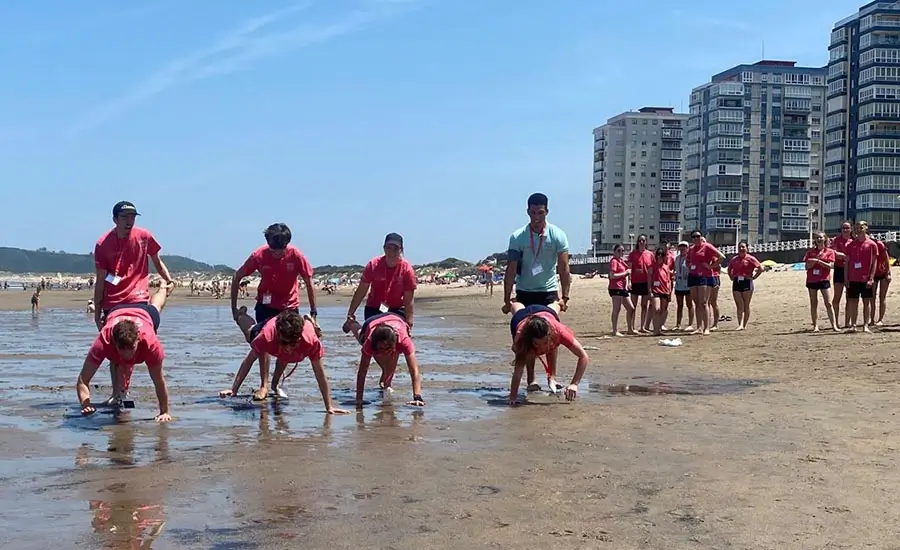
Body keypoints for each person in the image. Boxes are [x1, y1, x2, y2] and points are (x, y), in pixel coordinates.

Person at [93, 201, 174, 406]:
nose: (129, 221)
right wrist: (98, 309)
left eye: (132, 217)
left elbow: (157, 260)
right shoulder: (103, 244)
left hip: (138, 298)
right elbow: (101, 279)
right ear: (114, 219)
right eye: (124, 217)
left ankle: (123, 389)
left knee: (140, 334)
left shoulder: (144, 236)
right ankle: (117, 392)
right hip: (114, 301)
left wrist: (168, 278)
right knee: (115, 350)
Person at [230, 223, 319, 399]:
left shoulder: (296, 255)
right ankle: (263, 385)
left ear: (287, 243)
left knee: (287, 346)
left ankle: (275, 382)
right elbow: (237, 276)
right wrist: (232, 307)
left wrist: (313, 312)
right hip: (265, 305)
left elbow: (309, 282)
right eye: (273, 248)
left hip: (289, 307)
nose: (277, 253)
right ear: (267, 242)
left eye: (281, 249)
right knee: (263, 344)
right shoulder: (259, 255)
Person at [76, 281, 174, 422]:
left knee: (156, 306)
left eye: (131, 349)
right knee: (117, 361)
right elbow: (82, 380)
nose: (128, 355)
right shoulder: (104, 341)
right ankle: (117, 394)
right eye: (122, 350)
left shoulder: (151, 343)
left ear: (138, 340)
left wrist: (164, 412)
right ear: (114, 342)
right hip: (116, 310)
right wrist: (85, 403)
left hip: (144, 313)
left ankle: (163, 287)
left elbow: (159, 381)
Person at [502, 193, 571, 392]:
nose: (536, 217)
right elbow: (511, 269)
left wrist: (565, 297)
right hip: (525, 291)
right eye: (532, 213)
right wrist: (507, 300)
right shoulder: (518, 237)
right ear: (527, 212)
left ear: (546, 211)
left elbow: (564, 267)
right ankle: (531, 379)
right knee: (528, 337)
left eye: (540, 213)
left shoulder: (558, 235)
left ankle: (552, 376)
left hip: (548, 291)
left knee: (552, 335)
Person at [219, 308, 349, 414]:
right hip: (268, 327)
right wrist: (233, 389)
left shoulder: (311, 341)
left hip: (297, 339)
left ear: (298, 338)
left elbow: (320, 374)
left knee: (286, 357)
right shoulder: (266, 336)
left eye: (291, 343)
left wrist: (329, 406)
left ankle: (275, 384)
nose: (288, 347)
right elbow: (248, 361)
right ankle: (241, 315)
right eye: (284, 342)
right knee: (250, 333)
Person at [507, 300, 588, 405]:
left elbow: (583, 356)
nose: (542, 347)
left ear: (550, 334)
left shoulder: (559, 331)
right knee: (518, 308)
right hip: (521, 317)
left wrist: (574, 384)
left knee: (554, 308)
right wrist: (513, 397)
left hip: (546, 313)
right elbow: (518, 372)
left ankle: (558, 303)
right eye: (537, 344)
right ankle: (513, 304)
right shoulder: (522, 338)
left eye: (545, 342)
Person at [344, 312, 425, 408]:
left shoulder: (404, 341)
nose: (384, 352)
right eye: (380, 349)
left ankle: (386, 383)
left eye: (387, 349)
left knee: (390, 360)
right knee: (360, 337)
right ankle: (352, 323)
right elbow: (362, 372)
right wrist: (359, 398)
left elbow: (414, 370)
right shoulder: (369, 342)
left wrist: (417, 397)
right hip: (372, 322)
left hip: (396, 320)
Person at [344, 233, 417, 331]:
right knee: (370, 338)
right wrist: (350, 314)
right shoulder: (373, 265)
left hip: (396, 310)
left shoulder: (407, 270)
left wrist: (409, 323)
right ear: (384, 248)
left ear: (401, 250)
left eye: (395, 248)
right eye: (389, 248)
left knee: (395, 337)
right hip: (374, 308)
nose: (391, 252)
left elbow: (408, 301)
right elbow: (361, 291)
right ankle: (353, 326)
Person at [687, 231, 724, 336]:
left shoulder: (707, 246)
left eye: (698, 236)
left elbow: (721, 257)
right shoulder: (691, 249)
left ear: (701, 237)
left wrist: (711, 266)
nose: (696, 238)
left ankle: (706, 328)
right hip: (693, 276)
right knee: (697, 303)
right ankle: (698, 327)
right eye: (694, 237)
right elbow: (688, 259)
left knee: (704, 302)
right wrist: (689, 266)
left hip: (705, 276)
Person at [844, 220, 877, 333]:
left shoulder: (872, 244)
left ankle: (865, 325)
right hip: (853, 277)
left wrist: (871, 278)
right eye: (856, 227)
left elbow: (874, 262)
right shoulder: (851, 244)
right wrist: (846, 278)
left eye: (861, 227)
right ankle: (853, 324)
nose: (858, 229)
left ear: (866, 228)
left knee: (866, 302)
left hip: (865, 278)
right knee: (853, 301)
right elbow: (847, 262)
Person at [804, 232, 839, 332]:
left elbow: (831, 266)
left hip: (824, 279)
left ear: (825, 239)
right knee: (813, 303)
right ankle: (815, 326)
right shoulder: (810, 252)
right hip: (812, 279)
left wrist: (819, 262)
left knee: (828, 303)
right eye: (817, 238)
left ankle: (834, 325)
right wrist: (814, 261)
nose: (819, 239)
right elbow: (806, 266)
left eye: (821, 237)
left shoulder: (830, 251)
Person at [726, 241, 762, 331]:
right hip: (737, 282)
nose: (741, 249)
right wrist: (731, 276)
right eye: (740, 247)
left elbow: (760, 268)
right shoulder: (734, 259)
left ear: (747, 248)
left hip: (747, 282)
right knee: (739, 304)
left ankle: (744, 325)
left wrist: (753, 277)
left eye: (743, 247)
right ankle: (740, 324)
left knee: (746, 305)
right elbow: (729, 268)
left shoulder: (750, 258)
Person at [626, 235, 654, 333]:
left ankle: (642, 327)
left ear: (646, 242)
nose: (642, 242)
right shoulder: (632, 254)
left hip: (646, 282)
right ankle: (631, 327)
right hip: (635, 282)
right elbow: (629, 269)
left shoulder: (650, 254)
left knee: (644, 305)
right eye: (640, 240)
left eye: (643, 240)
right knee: (633, 306)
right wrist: (629, 282)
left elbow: (652, 270)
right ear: (637, 242)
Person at [830, 221, 853, 327]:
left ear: (851, 229)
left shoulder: (853, 241)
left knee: (850, 297)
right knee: (837, 297)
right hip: (839, 269)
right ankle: (836, 322)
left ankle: (848, 322)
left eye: (847, 228)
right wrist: (843, 256)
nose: (845, 230)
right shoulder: (836, 240)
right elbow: (833, 252)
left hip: (851, 270)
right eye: (843, 228)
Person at [608, 244, 634, 336]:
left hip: (623, 287)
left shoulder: (621, 261)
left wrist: (629, 280)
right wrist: (625, 273)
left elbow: (629, 270)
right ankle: (615, 330)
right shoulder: (614, 261)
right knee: (616, 309)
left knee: (631, 308)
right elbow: (612, 275)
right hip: (615, 287)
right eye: (619, 250)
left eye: (622, 251)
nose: (621, 252)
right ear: (614, 252)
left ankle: (630, 329)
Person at [649, 246, 673, 336]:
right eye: (658, 254)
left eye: (661, 254)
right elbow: (649, 280)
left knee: (663, 310)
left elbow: (668, 280)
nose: (659, 256)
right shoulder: (652, 267)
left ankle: (659, 329)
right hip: (655, 291)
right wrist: (650, 291)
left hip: (665, 291)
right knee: (656, 309)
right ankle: (655, 330)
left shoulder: (666, 267)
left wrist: (669, 291)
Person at [673, 241, 694, 331]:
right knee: (679, 305)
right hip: (679, 284)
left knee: (690, 304)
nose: (682, 248)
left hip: (688, 284)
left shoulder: (690, 258)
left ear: (688, 248)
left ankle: (690, 324)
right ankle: (678, 324)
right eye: (680, 247)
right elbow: (675, 269)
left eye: (684, 247)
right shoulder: (677, 258)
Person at [871, 236, 891, 327]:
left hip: (882, 271)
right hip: (872, 273)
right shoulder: (862, 244)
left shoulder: (878, 243)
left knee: (882, 297)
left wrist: (888, 272)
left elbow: (887, 258)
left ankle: (880, 319)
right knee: (872, 297)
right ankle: (871, 319)